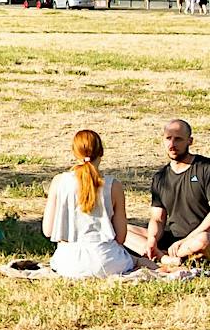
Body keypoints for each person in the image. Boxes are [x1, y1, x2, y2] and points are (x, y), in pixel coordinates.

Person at [41, 130, 140, 277]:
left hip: (67, 262)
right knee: (140, 262)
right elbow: (121, 237)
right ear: (102, 152)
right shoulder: (113, 186)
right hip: (107, 260)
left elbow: (48, 231)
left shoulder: (59, 182)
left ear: (75, 153)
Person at [126, 118, 210, 263]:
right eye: (168, 139)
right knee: (122, 230)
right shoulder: (161, 177)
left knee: (204, 240)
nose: (172, 144)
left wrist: (186, 240)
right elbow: (158, 218)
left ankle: (164, 257)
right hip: (172, 240)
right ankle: (164, 257)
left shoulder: (205, 168)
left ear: (190, 141)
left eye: (178, 139)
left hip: (197, 237)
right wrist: (152, 240)